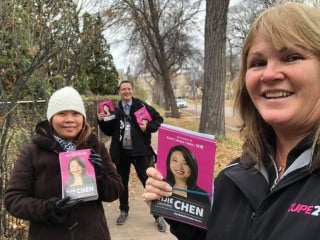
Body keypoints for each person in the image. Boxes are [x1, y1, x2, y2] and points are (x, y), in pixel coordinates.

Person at [143, 2, 320, 240]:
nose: (269, 74)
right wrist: (177, 210)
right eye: (258, 63)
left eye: (292, 57)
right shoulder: (233, 176)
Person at [4, 86, 124, 240]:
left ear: (83, 118)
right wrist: (48, 209)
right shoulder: (32, 152)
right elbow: (13, 199)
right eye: (61, 113)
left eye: (76, 114)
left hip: (92, 234)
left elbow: (115, 191)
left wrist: (100, 176)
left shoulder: (95, 147)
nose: (70, 120)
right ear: (51, 118)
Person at [97, 80, 167, 232]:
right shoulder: (115, 111)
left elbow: (159, 120)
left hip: (140, 153)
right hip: (122, 153)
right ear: (119, 92)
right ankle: (124, 210)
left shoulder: (141, 106)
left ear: (132, 91)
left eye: (129, 89)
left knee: (149, 183)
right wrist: (101, 121)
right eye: (123, 89)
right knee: (122, 183)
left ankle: (158, 215)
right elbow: (109, 131)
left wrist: (148, 126)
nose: (126, 91)